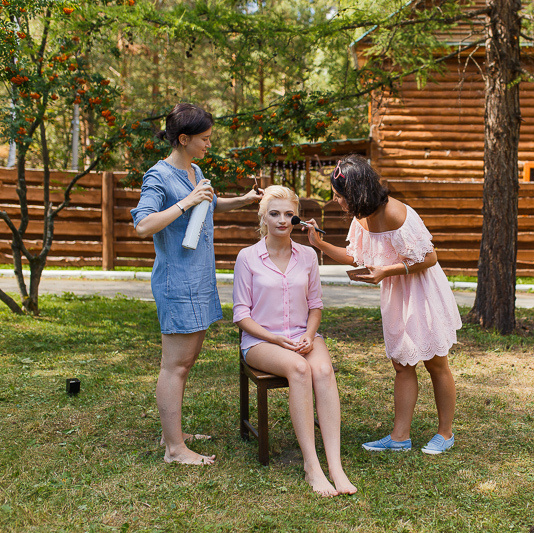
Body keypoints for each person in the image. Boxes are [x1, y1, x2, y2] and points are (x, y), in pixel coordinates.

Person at [131, 103, 263, 465]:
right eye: (204, 139)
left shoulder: (194, 169)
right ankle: (175, 449)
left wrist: (245, 201)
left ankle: (171, 433)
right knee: (174, 365)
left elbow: (210, 205)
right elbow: (143, 226)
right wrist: (187, 202)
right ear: (184, 139)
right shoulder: (157, 177)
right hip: (177, 282)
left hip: (199, 280)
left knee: (184, 364)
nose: (209, 144)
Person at [305, 154, 462, 455]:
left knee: (436, 362)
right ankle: (400, 437)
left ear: (356, 193)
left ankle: (445, 433)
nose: (336, 201)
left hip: (420, 288)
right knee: (402, 364)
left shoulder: (395, 213)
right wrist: (320, 244)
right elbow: (357, 257)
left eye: (339, 196)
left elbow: (429, 258)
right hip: (396, 293)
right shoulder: (360, 215)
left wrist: (386, 271)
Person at [233, 186, 357, 497]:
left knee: (324, 372)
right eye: (274, 213)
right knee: (300, 370)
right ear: (263, 216)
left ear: (297, 217)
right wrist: (273, 337)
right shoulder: (247, 257)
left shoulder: (308, 256)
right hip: (261, 341)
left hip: (303, 336)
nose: (282, 220)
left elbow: (316, 305)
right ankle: (311, 466)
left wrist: (310, 334)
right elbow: (241, 315)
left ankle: (336, 466)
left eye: (289, 214)